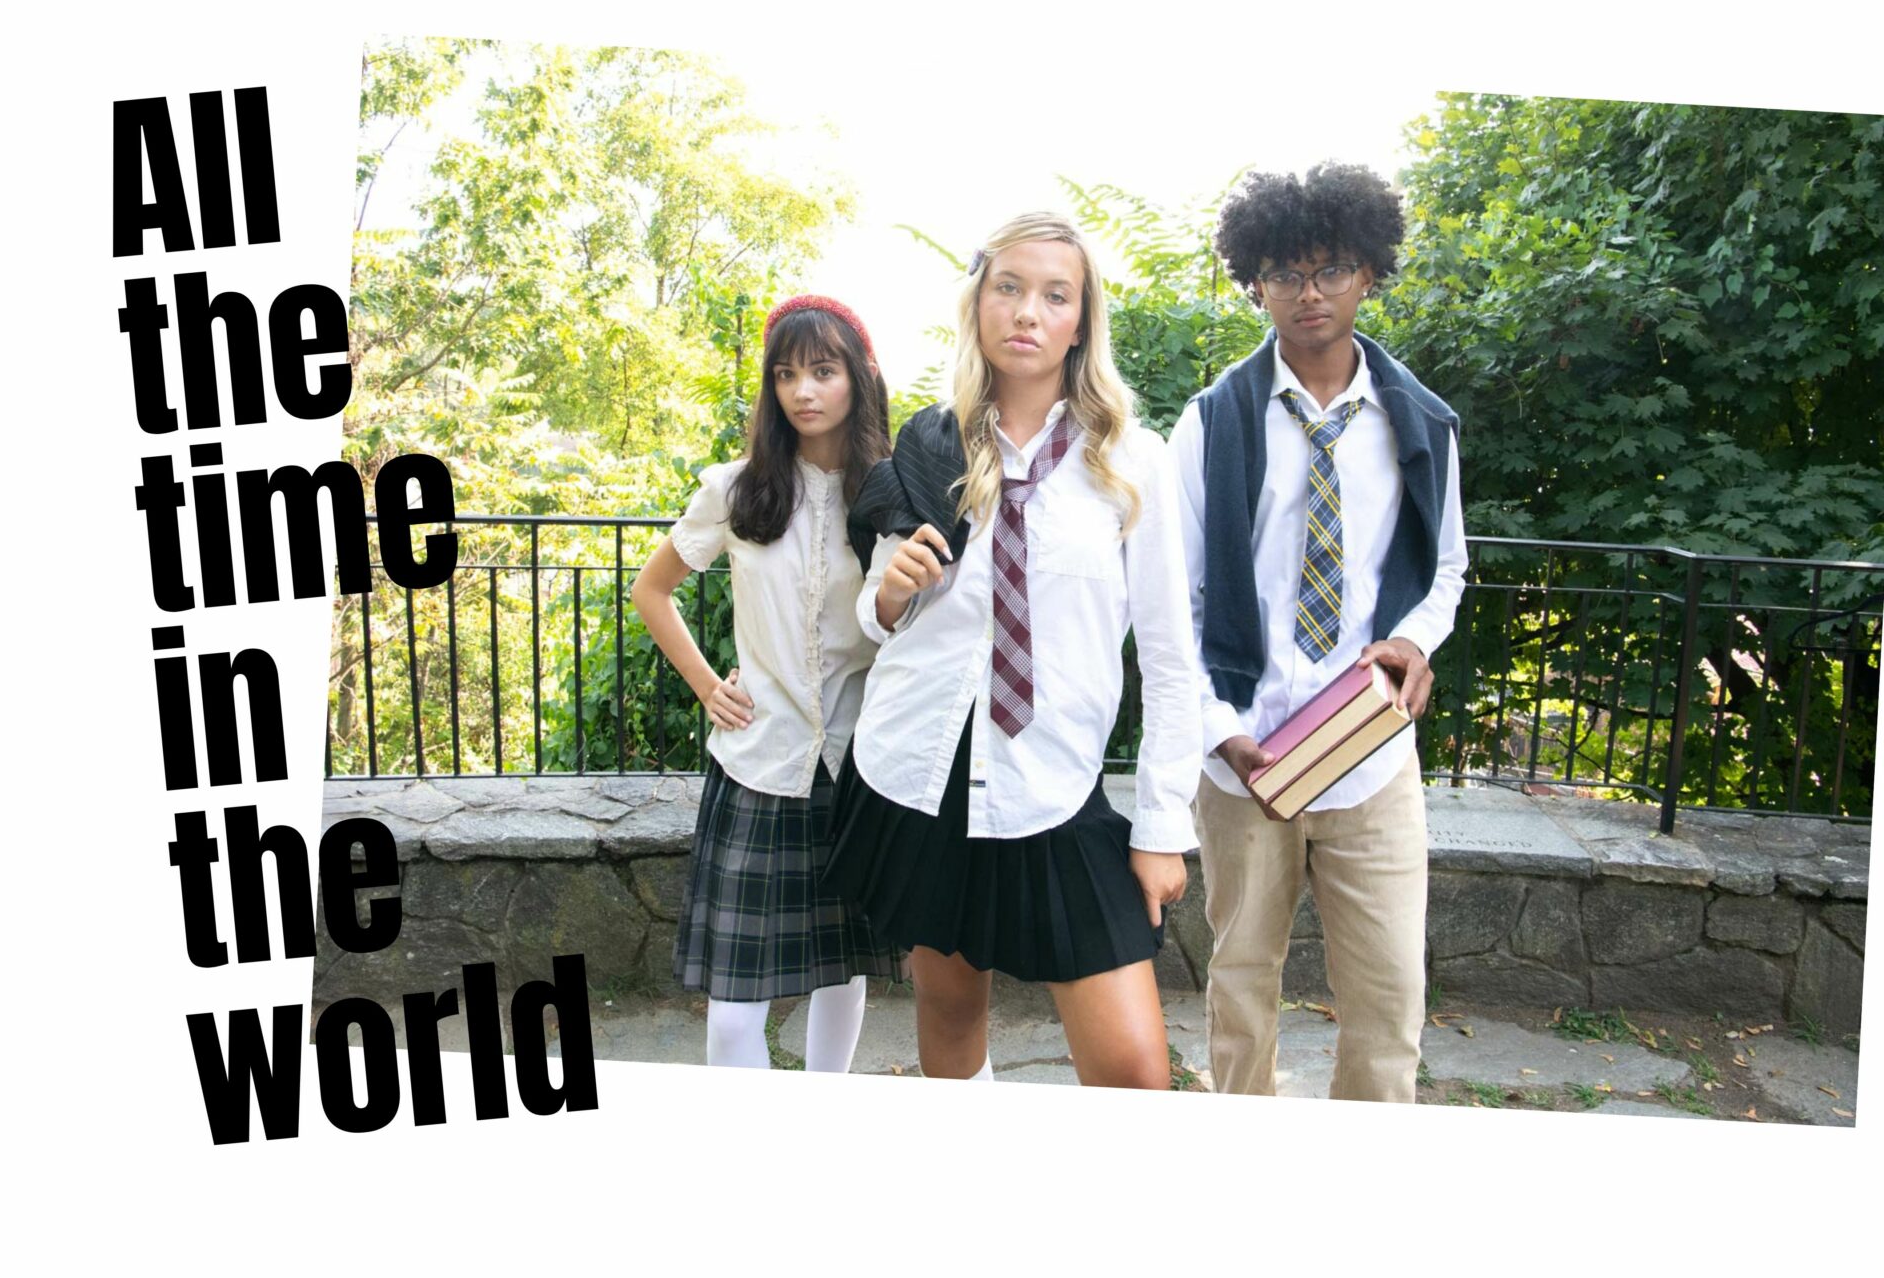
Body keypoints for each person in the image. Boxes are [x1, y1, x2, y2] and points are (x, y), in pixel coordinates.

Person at [826, 213, 1204, 1089]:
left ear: (1081, 320)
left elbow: (1172, 657)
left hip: (1053, 777)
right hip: (922, 765)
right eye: (1009, 287)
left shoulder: (1130, 462)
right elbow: (880, 617)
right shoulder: (931, 443)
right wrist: (888, 595)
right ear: (979, 305)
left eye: (1054, 295)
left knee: (1134, 1070)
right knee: (951, 1011)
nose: (1027, 311)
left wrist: (1159, 826)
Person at [1168, 163, 1467, 1102]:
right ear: (1252, 281)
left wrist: (1415, 640)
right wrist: (1220, 727)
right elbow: (1170, 596)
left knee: (1388, 1003)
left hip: (1372, 756)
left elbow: (1447, 570)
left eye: (1331, 269)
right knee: (1243, 989)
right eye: (1285, 273)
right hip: (1244, 756)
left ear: (1368, 273)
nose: (1309, 293)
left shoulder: (1421, 423)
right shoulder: (1211, 423)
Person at [629, 294, 901, 1071]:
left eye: (823, 369)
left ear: (859, 375)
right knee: (732, 1014)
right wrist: (707, 683)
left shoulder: (888, 491)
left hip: (857, 767)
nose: (803, 390)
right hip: (759, 762)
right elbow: (654, 589)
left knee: (842, 974)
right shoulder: (739, 486)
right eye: (786, 374)